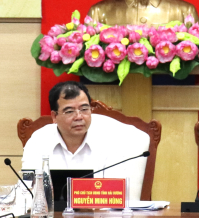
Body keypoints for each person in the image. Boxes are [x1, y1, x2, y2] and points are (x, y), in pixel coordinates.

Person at [21, 81, 150, 201]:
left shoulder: (111, 139)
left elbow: (116, 196)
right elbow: (27, 192)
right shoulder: (39, 140)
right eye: (69, 111)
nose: (79, 117)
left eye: (84, 109)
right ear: (54, 116)